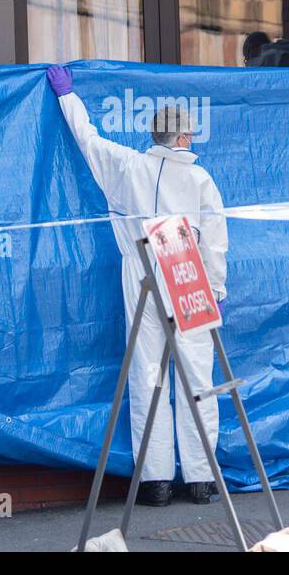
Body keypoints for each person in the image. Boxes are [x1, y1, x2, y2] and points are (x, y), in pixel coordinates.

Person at [47, 64, 228, 507]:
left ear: (155, 136)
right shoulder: (199, 179)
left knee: (149, 375)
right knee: (197, 376)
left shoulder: (128, 166)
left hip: (142, 271)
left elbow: (88, 141)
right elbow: (216, 241)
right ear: (184, 138)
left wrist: (66, 97)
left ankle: (156, 481)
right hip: (187, 275)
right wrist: (215, 288)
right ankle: (201, 479)